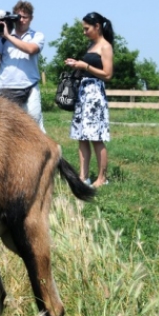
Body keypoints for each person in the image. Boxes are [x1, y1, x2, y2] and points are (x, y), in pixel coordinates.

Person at [64, 12, 114, 188]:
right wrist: (76, 64)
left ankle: (102, 178)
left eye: (87, 29)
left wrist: (84, 65)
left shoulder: (105, 47)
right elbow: (89, 68)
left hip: (95, 94)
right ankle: (83, 176)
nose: (84, 32)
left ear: (97, 27)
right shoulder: (92, 46)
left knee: (96, 137)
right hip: (84, 92)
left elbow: (107, 74)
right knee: (82, 136)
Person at [0, 0, 46, 131]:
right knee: (7, 128)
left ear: (31, 18)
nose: (21, 20)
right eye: (18, 17)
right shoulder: (3, 39)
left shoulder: (37, 35)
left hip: (29, 86)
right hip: (6, 87)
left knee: (34, 124)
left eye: (25, 17)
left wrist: (8, 36)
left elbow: (31, 50)